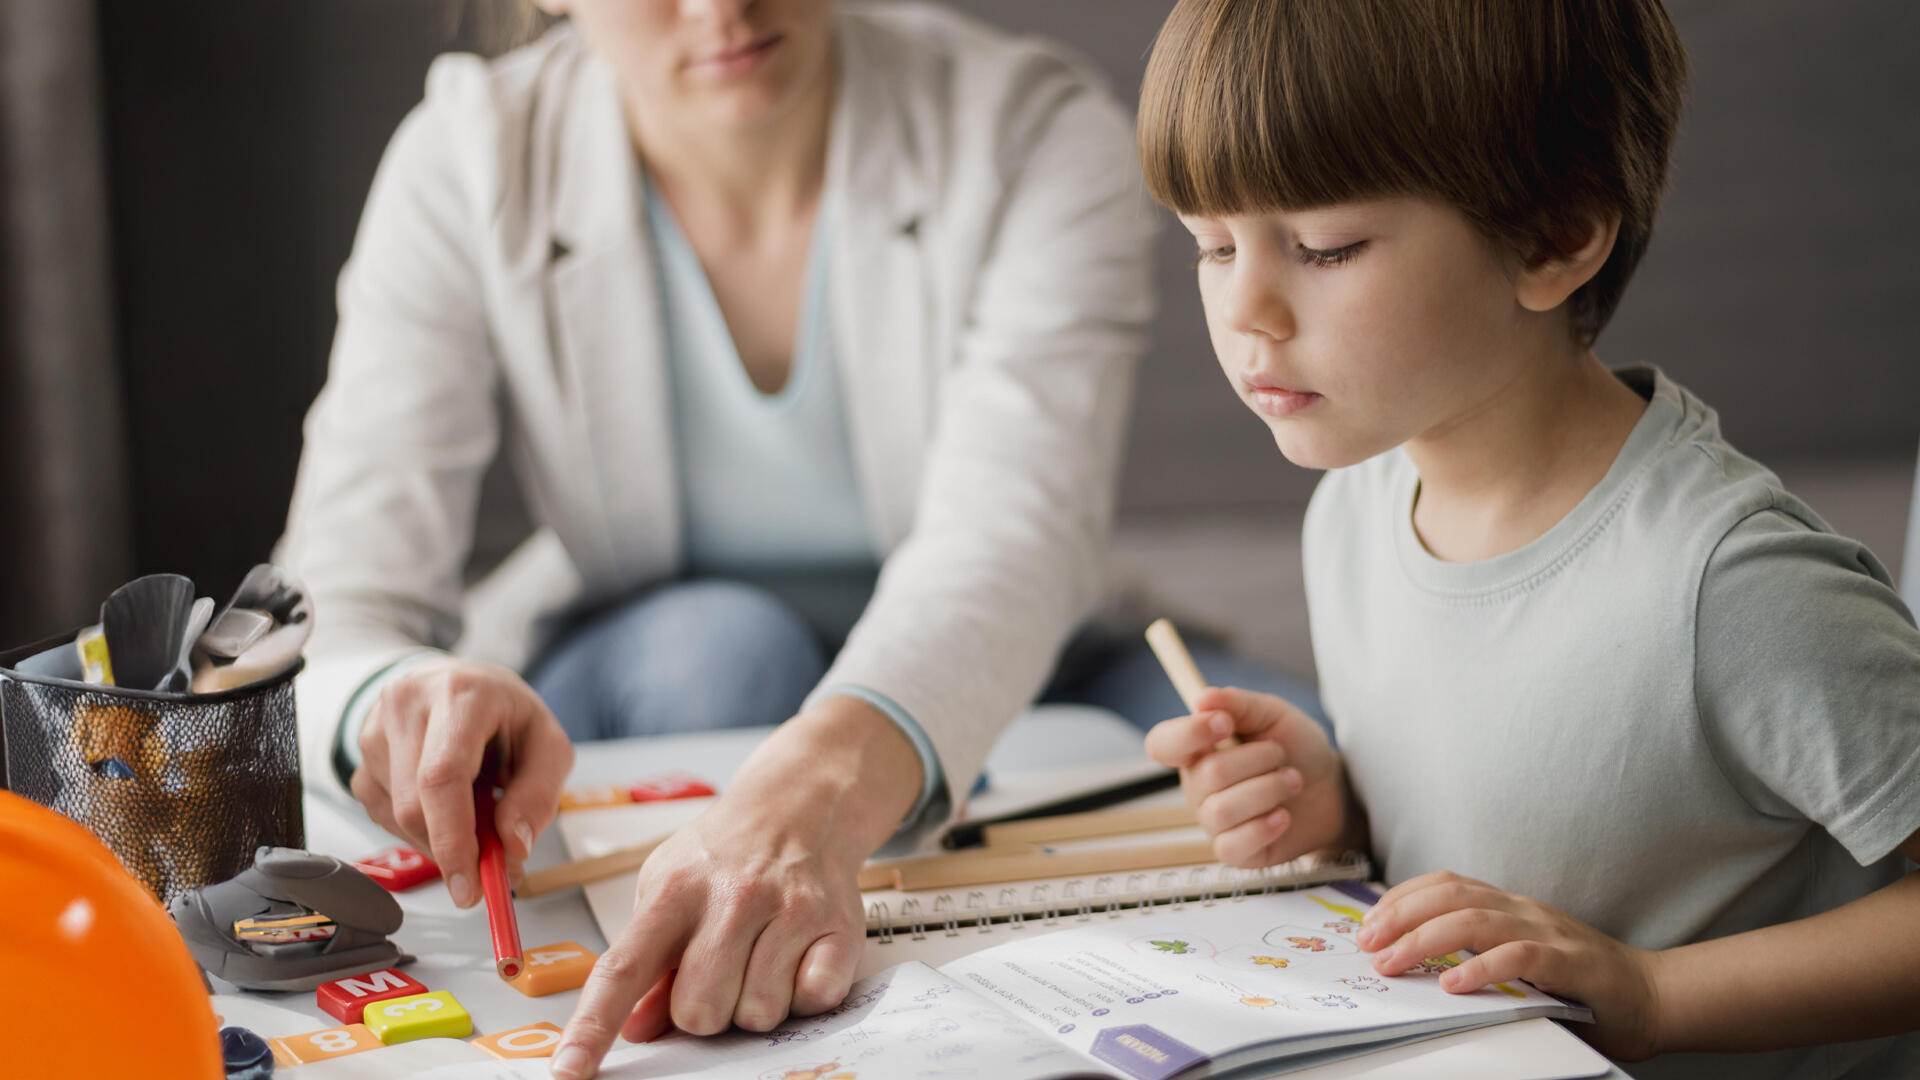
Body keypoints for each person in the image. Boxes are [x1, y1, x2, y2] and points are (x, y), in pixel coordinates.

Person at [271, 1, 1307, 1076]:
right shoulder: (467, 160)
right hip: (660, 656)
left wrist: (815, 794)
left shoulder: (1029, 128)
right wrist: (393, 700)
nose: (724, 8)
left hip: (1020, 646)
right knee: (727, 651)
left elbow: (1011, 542)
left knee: (1303, 769)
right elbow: (341, 595)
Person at [1134, 1, 1920, 1077]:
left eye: (1324, 247)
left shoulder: (1732, 587)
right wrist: (1334, 807)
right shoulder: (1357, 505)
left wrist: (1651, 992)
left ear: (1552, 240)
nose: (1246, 309)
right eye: (1211, 246)